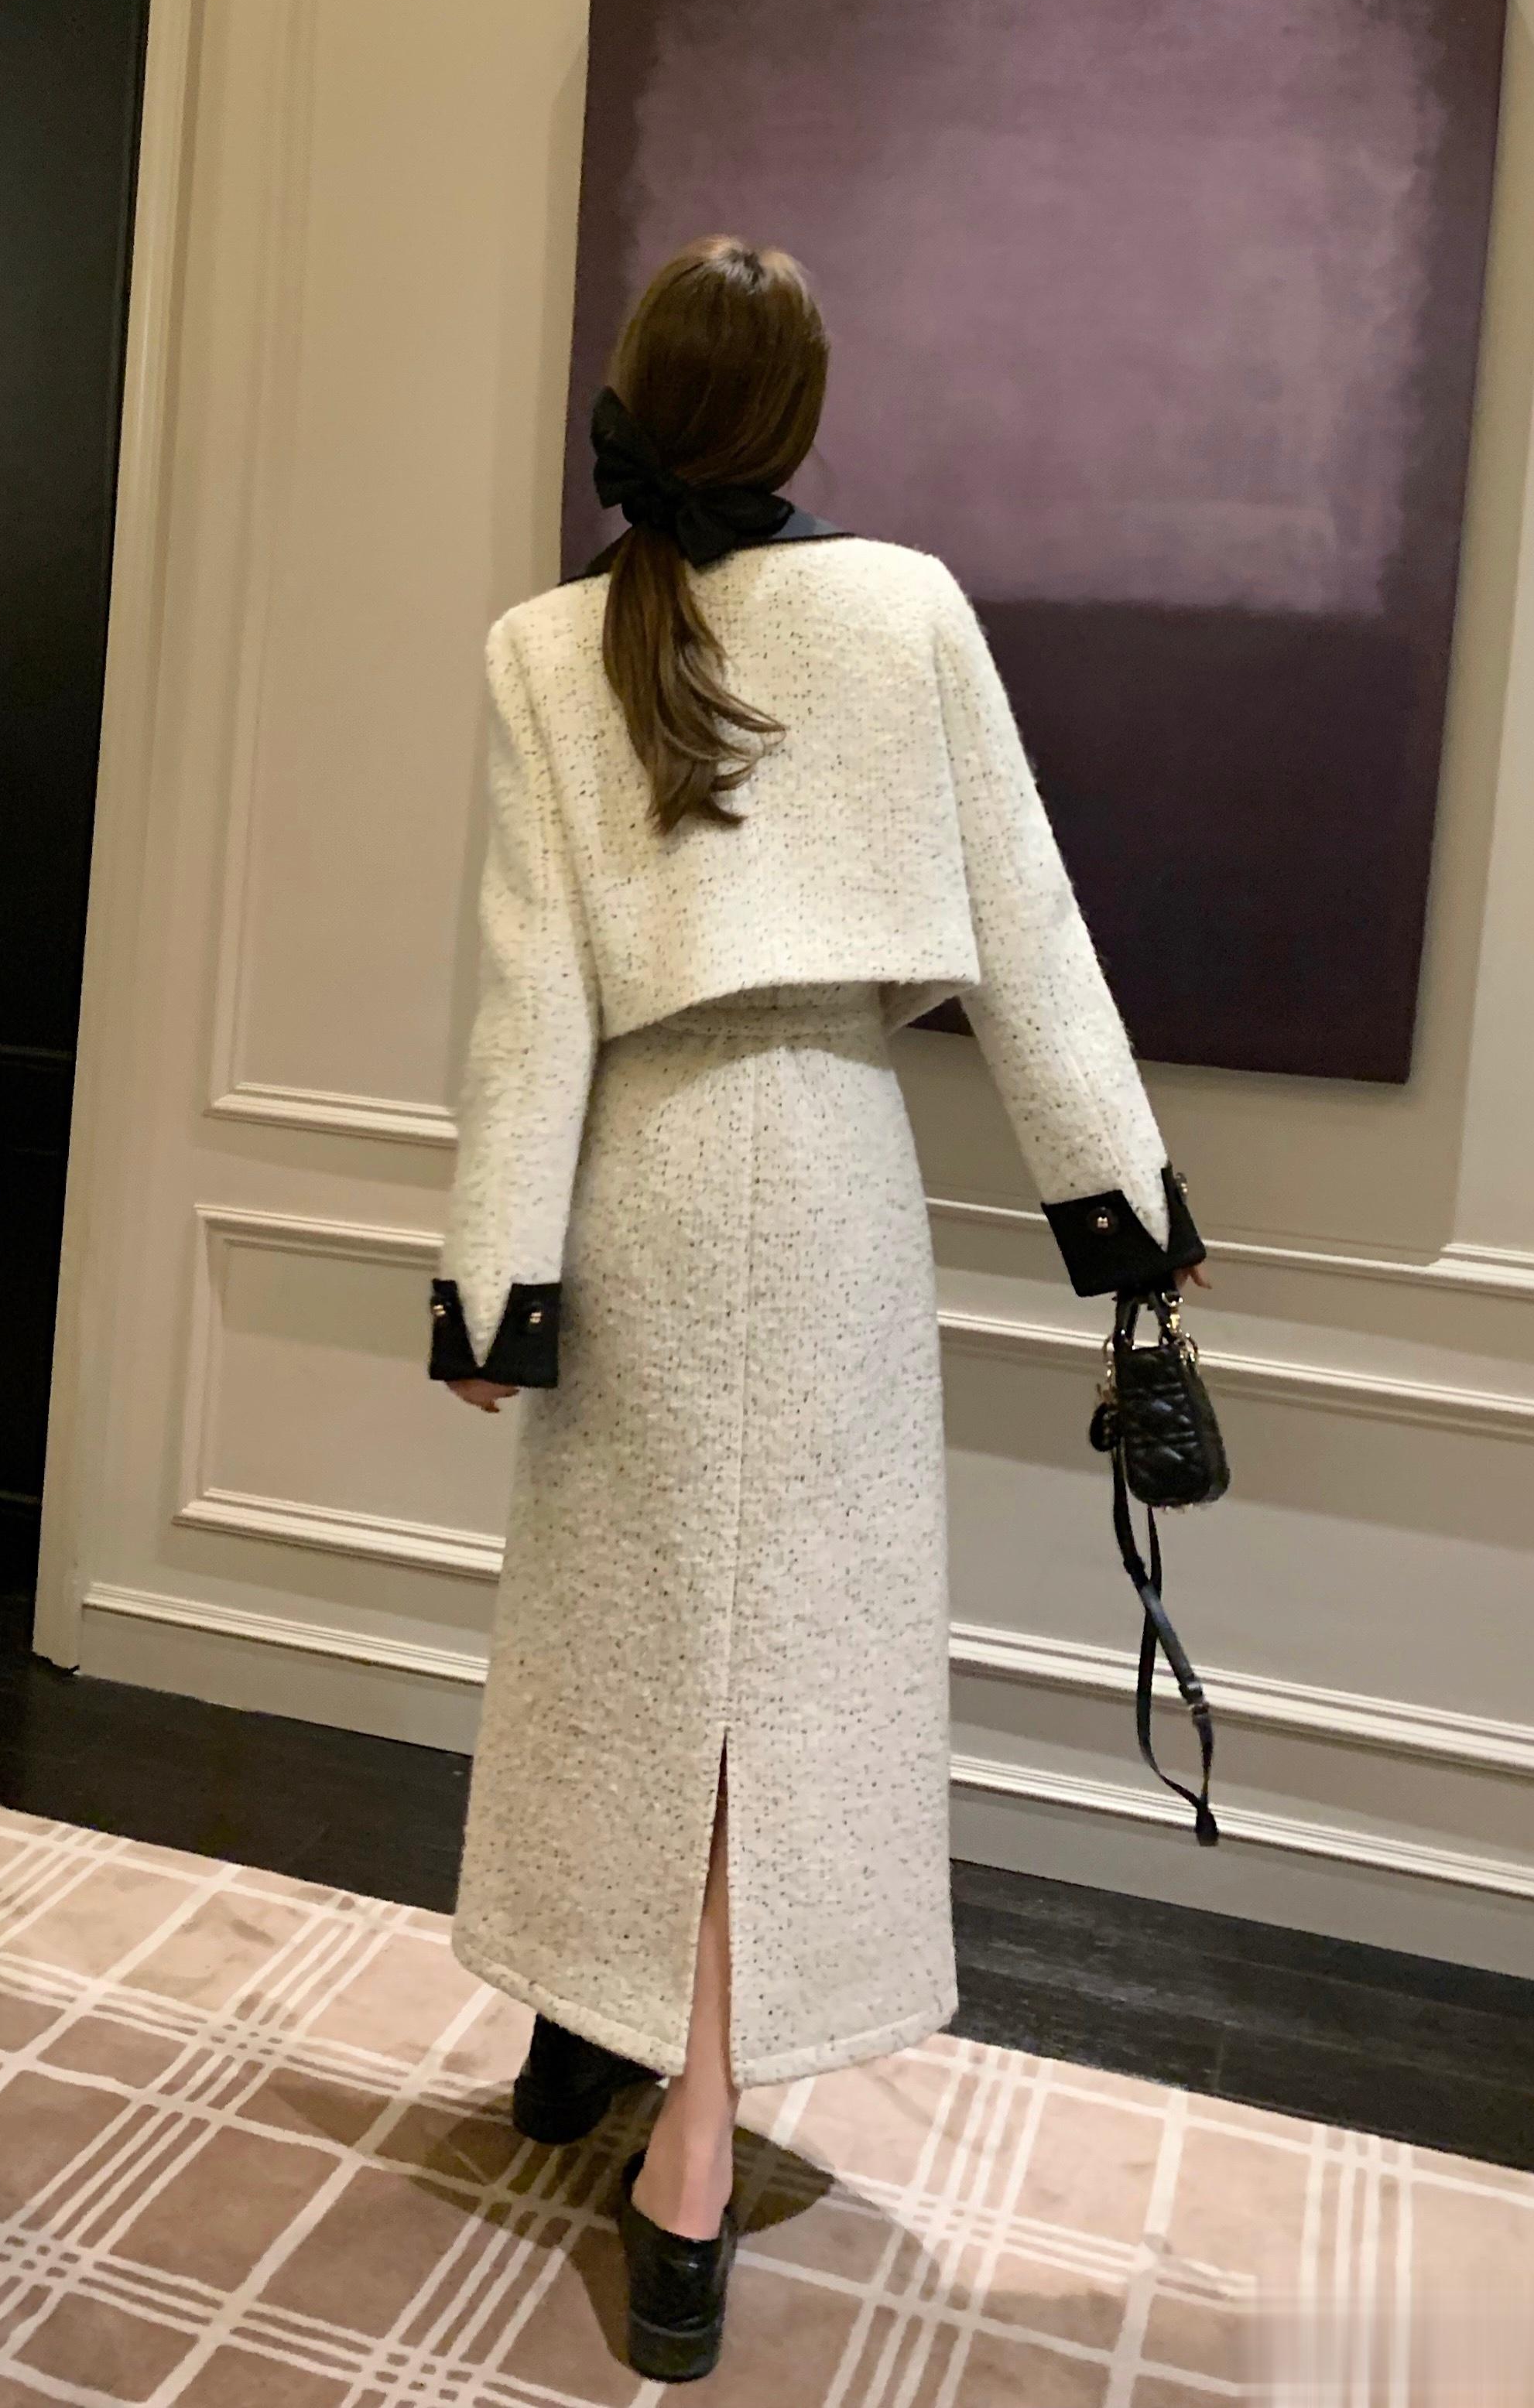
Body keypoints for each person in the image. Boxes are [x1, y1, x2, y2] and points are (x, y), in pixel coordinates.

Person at [426, 233, 1207, 2382]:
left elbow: (527, 1002)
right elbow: (1027, 923)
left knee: (628, 1646)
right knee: (773, 1673)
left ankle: (592, 2035)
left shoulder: (543, 646)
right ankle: (686, 2161)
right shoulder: (906, 609)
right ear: (799, 415)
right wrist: (1125, 1209)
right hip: (838, 1174)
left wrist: (497, 1288)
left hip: (638, 1182)